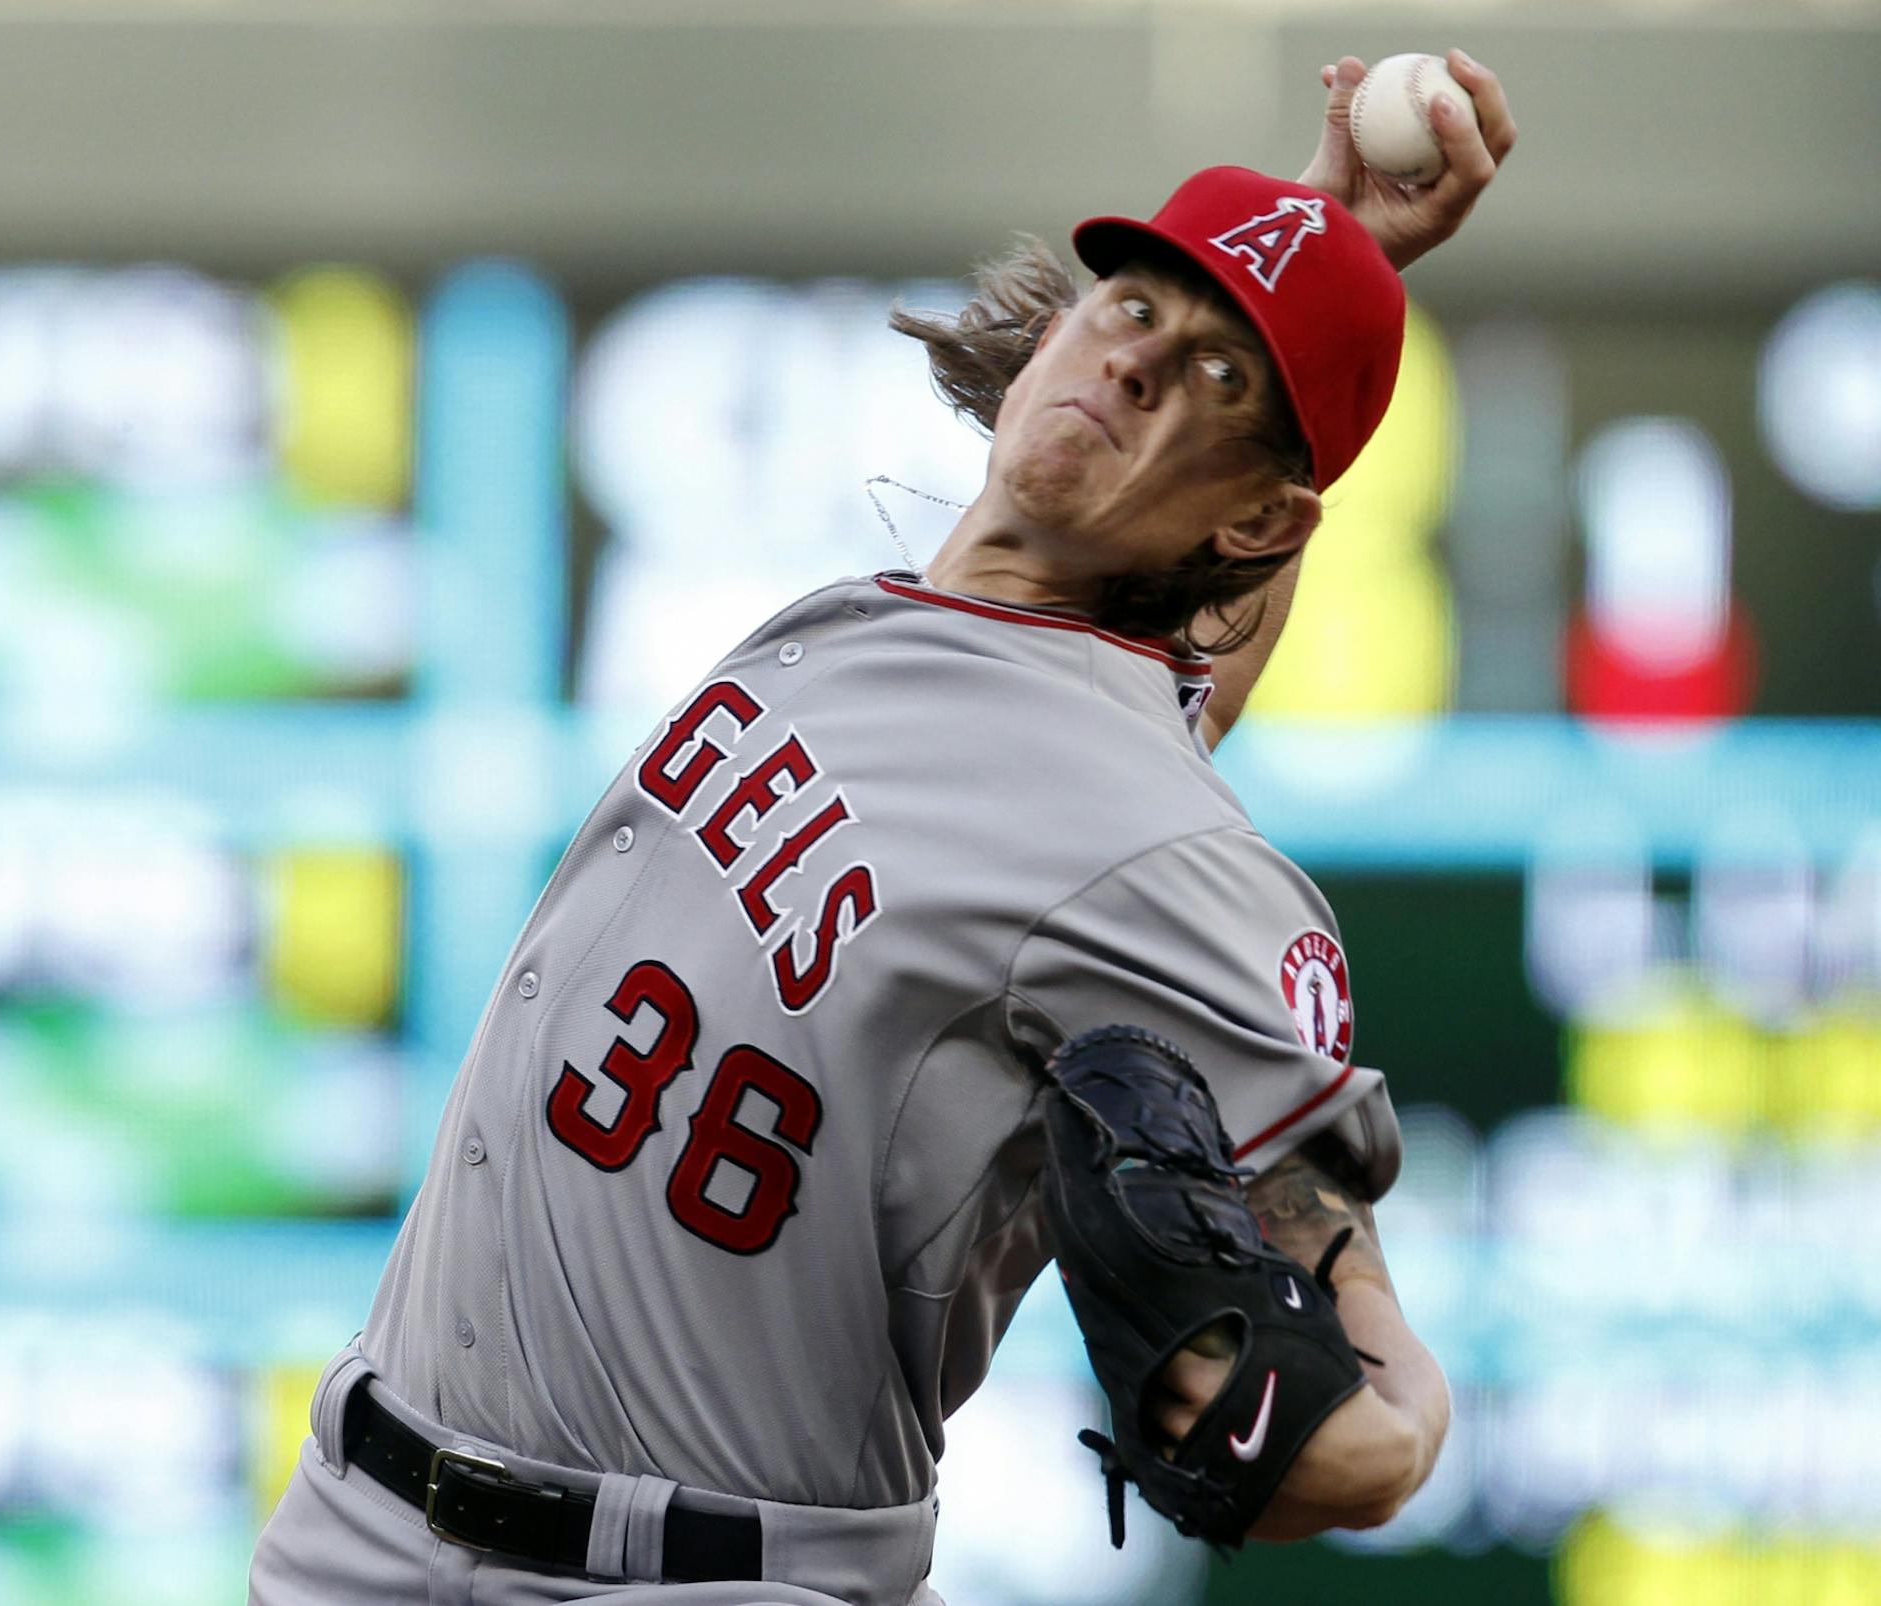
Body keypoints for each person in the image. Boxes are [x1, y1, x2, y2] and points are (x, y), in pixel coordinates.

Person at [251, 50, 1517, 1605]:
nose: (1135, 363)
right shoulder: (884, 621)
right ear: (1061, 322)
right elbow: (1162, 696)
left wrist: (1386, 1436)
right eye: (1134, 309)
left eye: (1218, 377)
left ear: (1260, 522)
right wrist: (1322, 253)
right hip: (360, 1520)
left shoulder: (1169, 862)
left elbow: (1368, 1413)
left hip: (704, 1574)